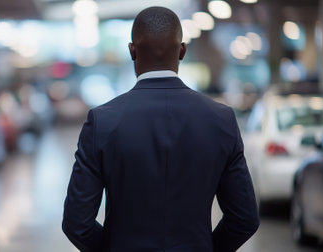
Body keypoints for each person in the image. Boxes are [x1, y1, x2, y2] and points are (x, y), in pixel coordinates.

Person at [62, 6, 259, 252]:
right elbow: (244, 219)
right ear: (183, 51)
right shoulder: (221, 119)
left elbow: (76, 223)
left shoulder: (103, 121)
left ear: (132, 51)